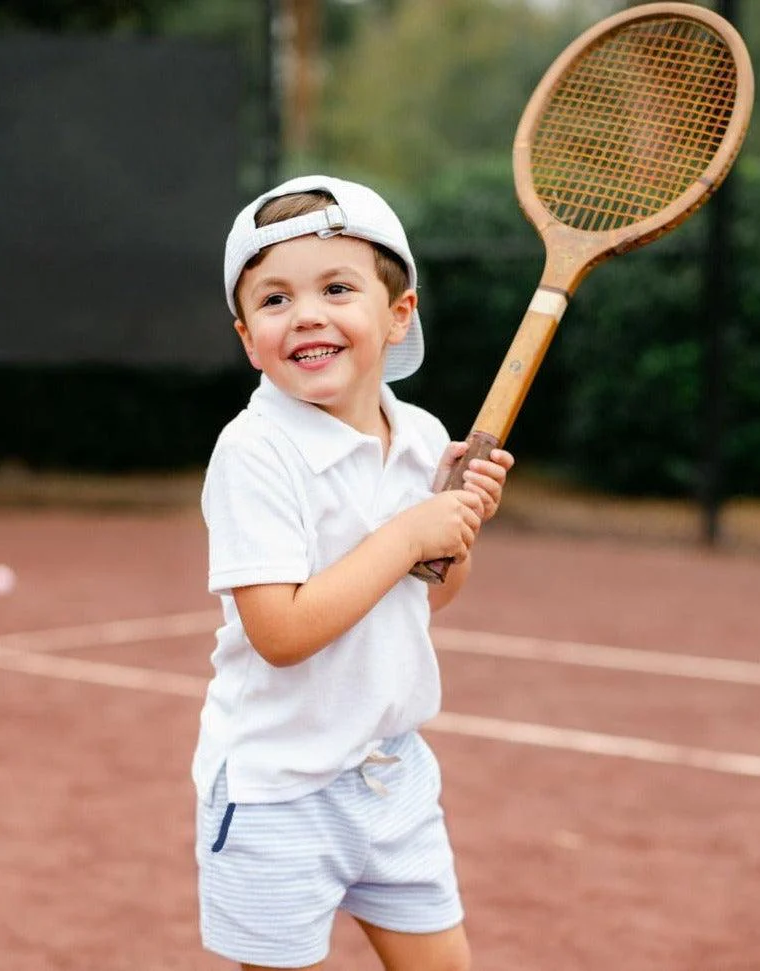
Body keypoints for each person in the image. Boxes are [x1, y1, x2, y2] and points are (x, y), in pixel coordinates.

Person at [194, 174, 514, 971]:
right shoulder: (254, 450)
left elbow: (429, 598)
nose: (304, 313)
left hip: (389, 770)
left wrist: (455, 535)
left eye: (336, 287)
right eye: (273, 300)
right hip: (276, 787)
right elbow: (281, 632)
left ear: (397, 313)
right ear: (246, 336)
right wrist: (410, 532)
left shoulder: (421, 434)